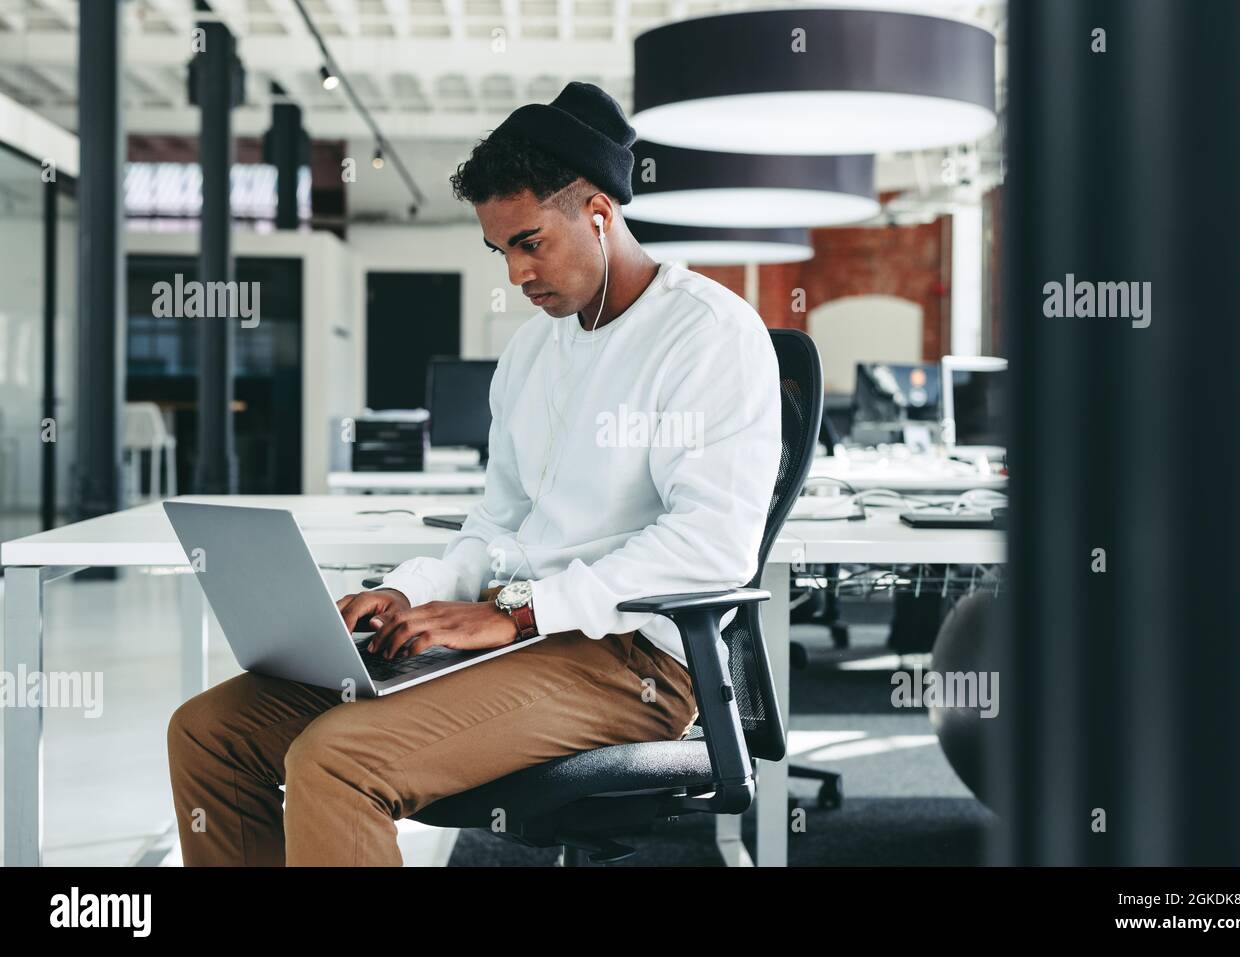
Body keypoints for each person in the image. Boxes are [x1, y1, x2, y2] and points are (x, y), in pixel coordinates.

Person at [166, 81, 781, 866]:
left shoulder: (706, 336)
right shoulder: (532, 351)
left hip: (632, 663)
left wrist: (520, 611)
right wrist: (408, 590)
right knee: (213, 731)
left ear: (598, 213)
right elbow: (496, 528)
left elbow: (708, 550)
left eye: (531, 242)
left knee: (337, 758)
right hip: (516, 637)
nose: (517, 274)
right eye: (502, 252)